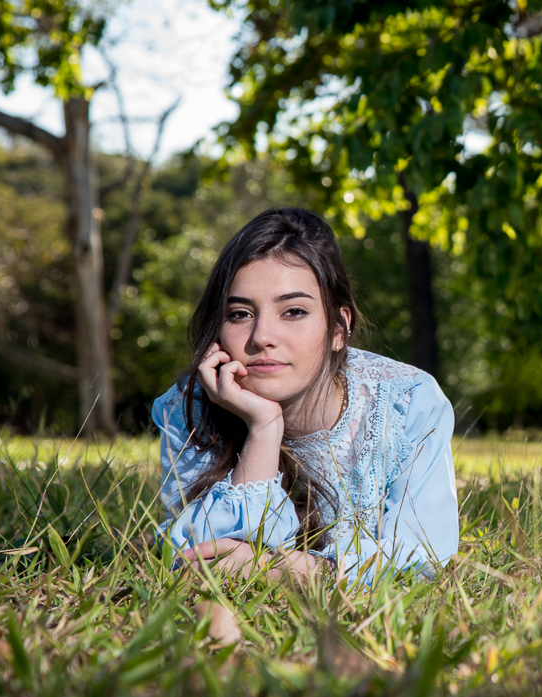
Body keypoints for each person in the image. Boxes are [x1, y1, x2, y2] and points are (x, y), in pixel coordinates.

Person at [151, 207, 458, 586]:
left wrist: (285, 570)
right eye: (240, 314)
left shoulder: (408, 402)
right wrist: (264, 429)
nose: (262, 336)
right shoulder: (189, 406)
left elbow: (424, 555)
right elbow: (195, 557)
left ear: (339, 328)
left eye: (293, 311)